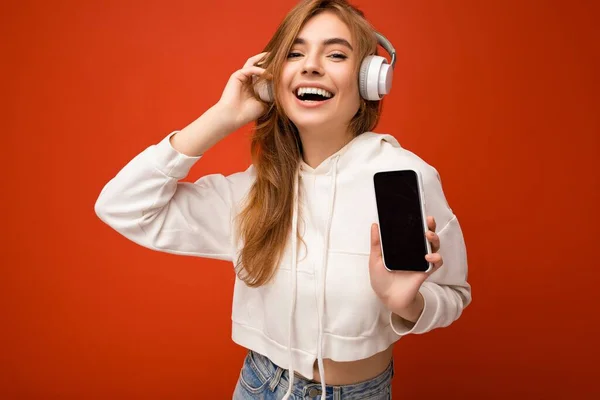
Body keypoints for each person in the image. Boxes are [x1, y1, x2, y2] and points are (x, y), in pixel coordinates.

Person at [94, 0, 471, 399]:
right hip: (260, 386)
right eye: (294, 53)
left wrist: (407, 305)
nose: (311, 65)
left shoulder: (403, 179)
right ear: (273, 79)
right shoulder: (253, 191)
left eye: (336, 54)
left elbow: (454, 294)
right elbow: (121, 205)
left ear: (369, 81)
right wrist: (223, 115)